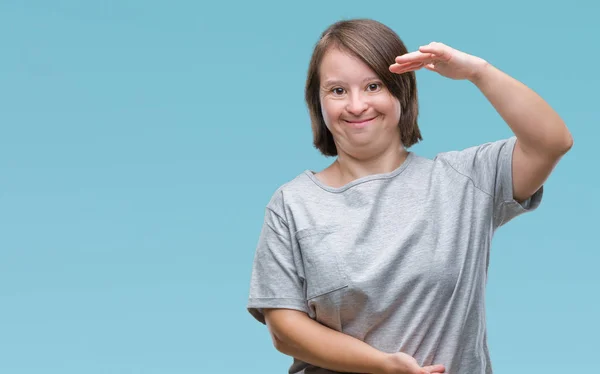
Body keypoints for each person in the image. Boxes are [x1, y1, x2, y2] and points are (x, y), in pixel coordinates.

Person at [246, 18, 572, 374]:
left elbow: (551, 142)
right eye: (337, 91)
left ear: (401, 92)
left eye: (373, 86)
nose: (356, 106)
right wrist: (383, 365)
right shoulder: (293, 203)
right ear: (317, 102)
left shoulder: (465, 181)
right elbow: (285, 329)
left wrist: (478, 72)